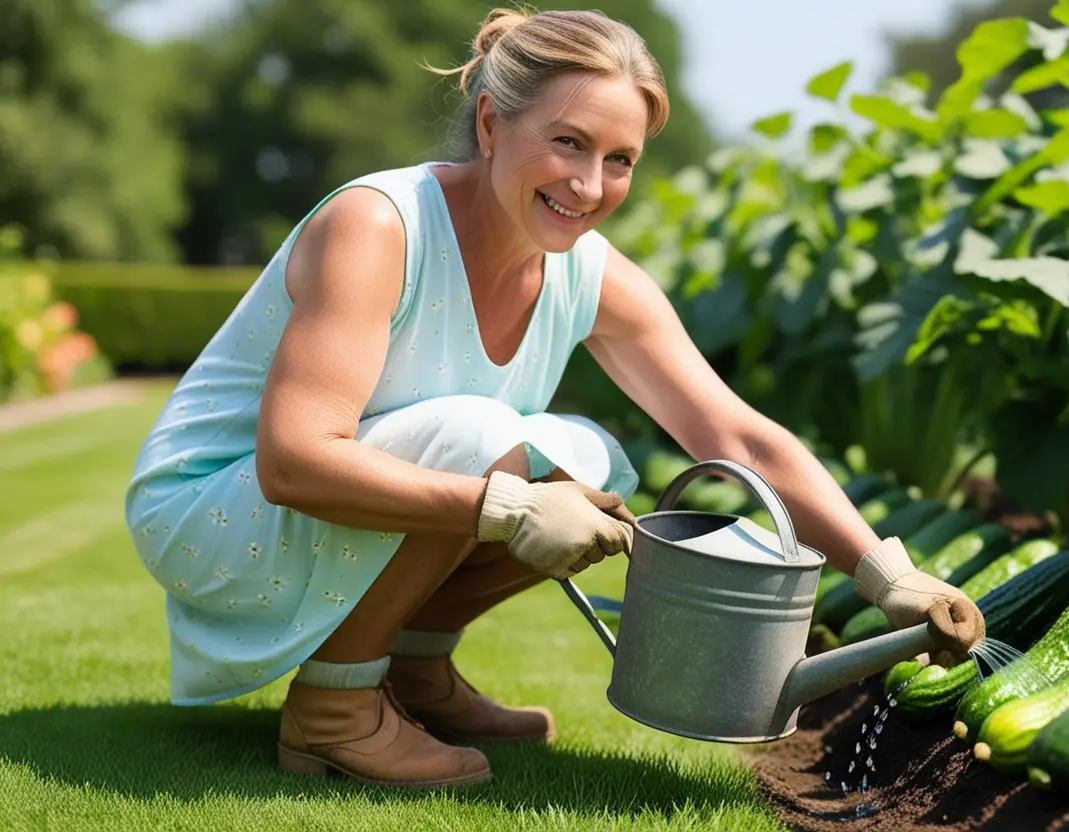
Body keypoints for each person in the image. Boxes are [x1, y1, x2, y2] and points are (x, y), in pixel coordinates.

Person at [123, 7, 985, 789]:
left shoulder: (590, 276)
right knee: (491, 441)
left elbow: (738, 439)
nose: (589, 185)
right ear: (494, 125)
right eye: (568, 143)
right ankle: (333, 713)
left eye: (619, 161)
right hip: (209, 513)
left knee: (581, 456)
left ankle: (413, 669)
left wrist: (889, 579)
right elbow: (293, 460)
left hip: (330, 496)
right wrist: (506, 509)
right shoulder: (380, 225)